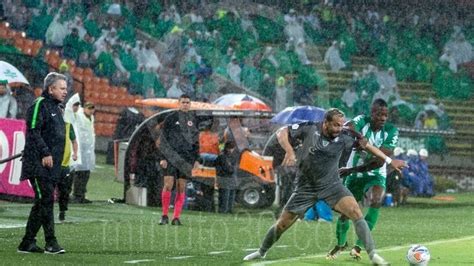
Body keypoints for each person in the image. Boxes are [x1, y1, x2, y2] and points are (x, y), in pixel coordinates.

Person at [243, 108, 406, 265]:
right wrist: (290, 151)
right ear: (325, 123)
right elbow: (281, 132)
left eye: (341, 125)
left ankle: (373, 255)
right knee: (282, 225)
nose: (339, 128)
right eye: (336, 125)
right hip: (306, 187)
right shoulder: (309, 129)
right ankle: (262, 251)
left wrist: (390, 161)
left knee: (356, 212)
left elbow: (369, 147)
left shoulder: (345, 136)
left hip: (332, 185)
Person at [327, 99, 399, 261]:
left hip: (374, 173)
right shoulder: (361, 120)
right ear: (371, 113)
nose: (383, 118)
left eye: (385, 115)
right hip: (355, 177)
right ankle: (341, 244)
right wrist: (360, 137)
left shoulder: (392, 130)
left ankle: (359, 246)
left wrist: (353, 165)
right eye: (379, 114)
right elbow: (349, 128)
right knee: (346, 213)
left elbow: (380, 160)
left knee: (376, 200)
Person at [18, 72, 68, 254]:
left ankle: (27, 242)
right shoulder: (39, 105)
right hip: (38, 163)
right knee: (46, 199)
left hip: (50, 167)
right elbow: (33, 131)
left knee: (42, 202)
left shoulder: (56, 108)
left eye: (65, 88)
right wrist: (45, 152)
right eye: (61, 88)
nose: (65, 91)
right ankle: (51, 242)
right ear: (51, 88)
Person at [159, 94, 200, 225]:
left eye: (188, 102)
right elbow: (163, 139)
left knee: (181, 187)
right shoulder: (170, 118)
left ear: (190, 104)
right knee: (168, 185)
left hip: (186, 158)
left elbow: (196, 142)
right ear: (178, 103)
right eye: (183, 102)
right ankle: (164, 215)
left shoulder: (193, 120)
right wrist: (162, 157)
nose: (185, 104)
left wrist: (196, 160)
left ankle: (176, 217)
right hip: (171, 156)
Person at [57, 96, 80, 222]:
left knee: (64, 191)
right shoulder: (50, 125)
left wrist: (75, 153)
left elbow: (74, 141)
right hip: (53, 163)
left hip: (64, 163)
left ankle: (62, 211)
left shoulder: (67, 126)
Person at [71, 102, 96, 203]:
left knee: (86, 172)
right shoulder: (79, 116)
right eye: (89, 108)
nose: (91, 110)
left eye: (92, 108)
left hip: (88, 149)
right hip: (81, 148)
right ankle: (77, 194)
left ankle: (81, 194)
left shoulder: (91, 117)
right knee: (79, 172)